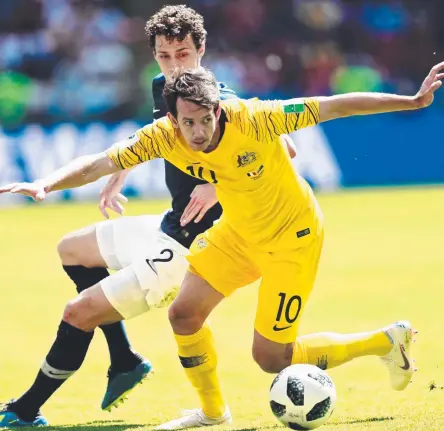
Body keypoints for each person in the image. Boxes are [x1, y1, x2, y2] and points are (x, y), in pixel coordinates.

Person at [2, 63, 440, 429]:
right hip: (238, 235)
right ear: (172, 118)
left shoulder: (258, 117)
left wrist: (411, 102)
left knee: (271, 359)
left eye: (205, 119)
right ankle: (213, 414)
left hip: (293, 240)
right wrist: (45, 184)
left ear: (218, 109)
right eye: (187, 122)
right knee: (183, 314)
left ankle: (383, 342)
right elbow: (100, 162)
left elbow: (335, 106)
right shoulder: (162, 135)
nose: (197, 132)